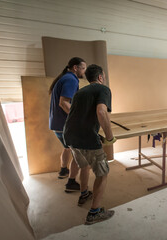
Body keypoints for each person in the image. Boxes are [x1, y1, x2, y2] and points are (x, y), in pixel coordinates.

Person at [63, 64, 116, 225]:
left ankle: (84, 193)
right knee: (102, 173)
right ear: (100, 77)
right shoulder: (103, 89)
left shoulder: (80, 92)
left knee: (84, 166)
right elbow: (101, 112)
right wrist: (109, 137)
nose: (104, 79)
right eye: (104, 76)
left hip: (70, 137)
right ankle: (94, 213)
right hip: (86, 138)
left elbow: (77, 115)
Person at [49, 57, 86, 192]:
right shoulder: (71, 79)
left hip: (56, 124)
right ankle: (71, 183)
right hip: (64, 124)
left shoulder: (63, 78)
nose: (84, 71)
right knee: (78, 153)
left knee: (67, 147)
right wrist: (78, 119)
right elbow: (63, 102)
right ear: (75, 68)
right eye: (83, 68)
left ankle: (63, 171)